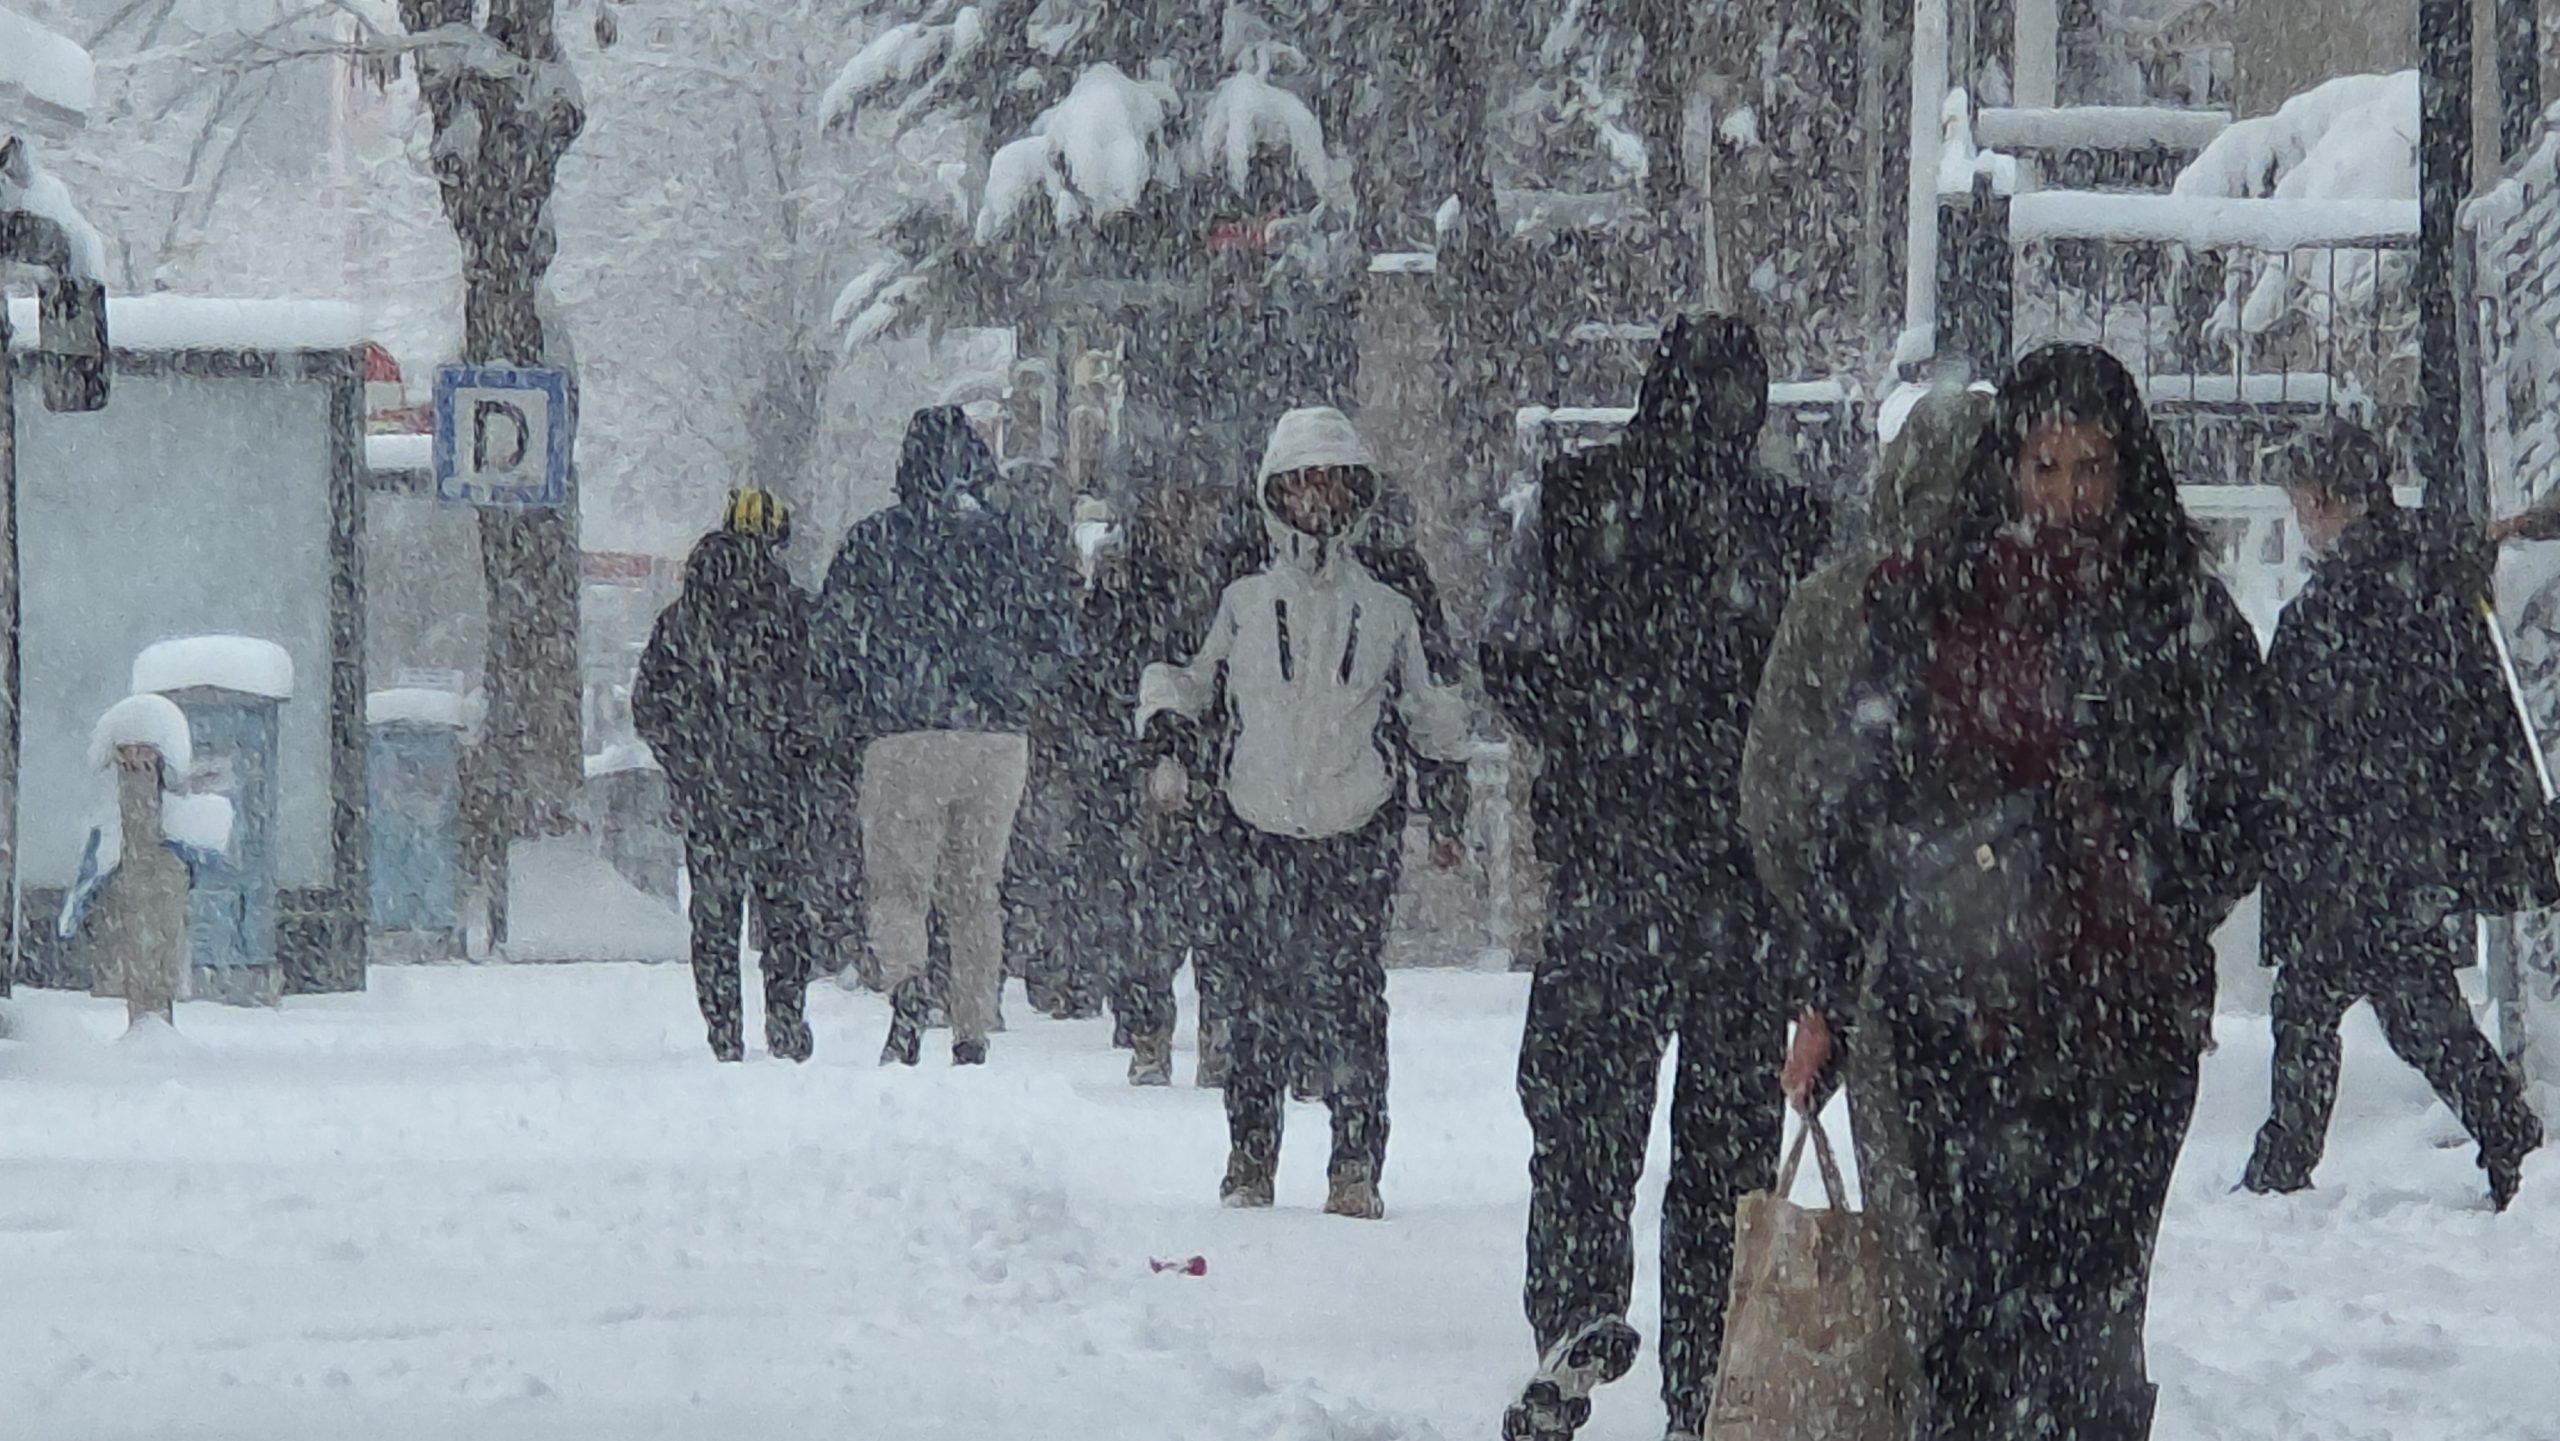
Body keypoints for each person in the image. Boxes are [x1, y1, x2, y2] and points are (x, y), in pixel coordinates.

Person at [1796, 344, 2261, 1441]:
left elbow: (2262, 772)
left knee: (2097, 1311)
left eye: (2089, 467)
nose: (2065, 495)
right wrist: (1823, 984)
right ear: (2007, 465)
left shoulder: (2170, 604)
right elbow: (1858, 798)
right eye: (2043, 466)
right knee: (1970, 1300)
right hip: (1959, 1009)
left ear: (2125, 470)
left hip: (2123, 1020)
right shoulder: (1935, 597)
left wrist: (2175, 894)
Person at [1481, 314, 1825, 1441]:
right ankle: (1705, 1373)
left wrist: (1593, 734)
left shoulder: (1574, 502)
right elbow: (1832, 691)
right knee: (1725, 1139)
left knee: (1583, 1104)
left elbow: (1509, 652)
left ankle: (1577, 1307)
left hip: (1613, 859)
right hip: (1744, 875)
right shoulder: (1792, 521)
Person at [1137, 406, 1471, 1219]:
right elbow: (1181, 670)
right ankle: (1251, 1152)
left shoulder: (1393, 588)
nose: (1315, 497)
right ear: (1274, 491)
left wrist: (1448, 804)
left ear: (1355, 488)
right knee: (1250, 993)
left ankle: (1354, 1160)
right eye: (1299, 481)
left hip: (1359, 818)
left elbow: (1434, 704)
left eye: (1330, 479)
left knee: (1352, 992)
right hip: (1252, 819)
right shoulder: (1237, 578)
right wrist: (1169, 749)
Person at [2241, 419, 2553, 1209]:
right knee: (2410, 1016)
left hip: (2349, 858)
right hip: (2404, 850)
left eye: (2302, 505)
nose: (2300, 523)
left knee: (2319, 1012)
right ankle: (2506, 1133)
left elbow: (2291, 736)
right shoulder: (2424, 574)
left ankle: (2284, 1169)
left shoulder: (2334, 610)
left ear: (2326, 501)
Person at [813, 407, 1073, 1068]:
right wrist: (1018, 690)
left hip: (904, 731)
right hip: (997, 739)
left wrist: (863, 701)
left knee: (899, 883)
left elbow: (832, 638)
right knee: (977, 887)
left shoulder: (874, 541)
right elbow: (1059, 634)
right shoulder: (1014, 541)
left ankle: (907, 984)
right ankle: (973, 1024)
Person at [632, 489, 817, 1063]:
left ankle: (724, 1032)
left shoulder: (682, 619)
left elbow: (648, 705)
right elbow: (823, 700)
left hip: (707, 796)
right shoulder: (794, 614)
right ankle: (784, 1021)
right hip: (778, 792)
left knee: (714, 917)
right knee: (782, 912)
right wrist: (799, 754)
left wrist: (687, 763)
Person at [1070, 482, 1237, 1085]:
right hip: (1136, 765)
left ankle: (1219, 1029)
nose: (1186, 517)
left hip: (1221, 760)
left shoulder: (1233, 575)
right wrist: (1140, 749)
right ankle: (1148, 1028)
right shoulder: (1124, 582)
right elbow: (1096, 672)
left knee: (1223, 904)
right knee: (1149, 907)